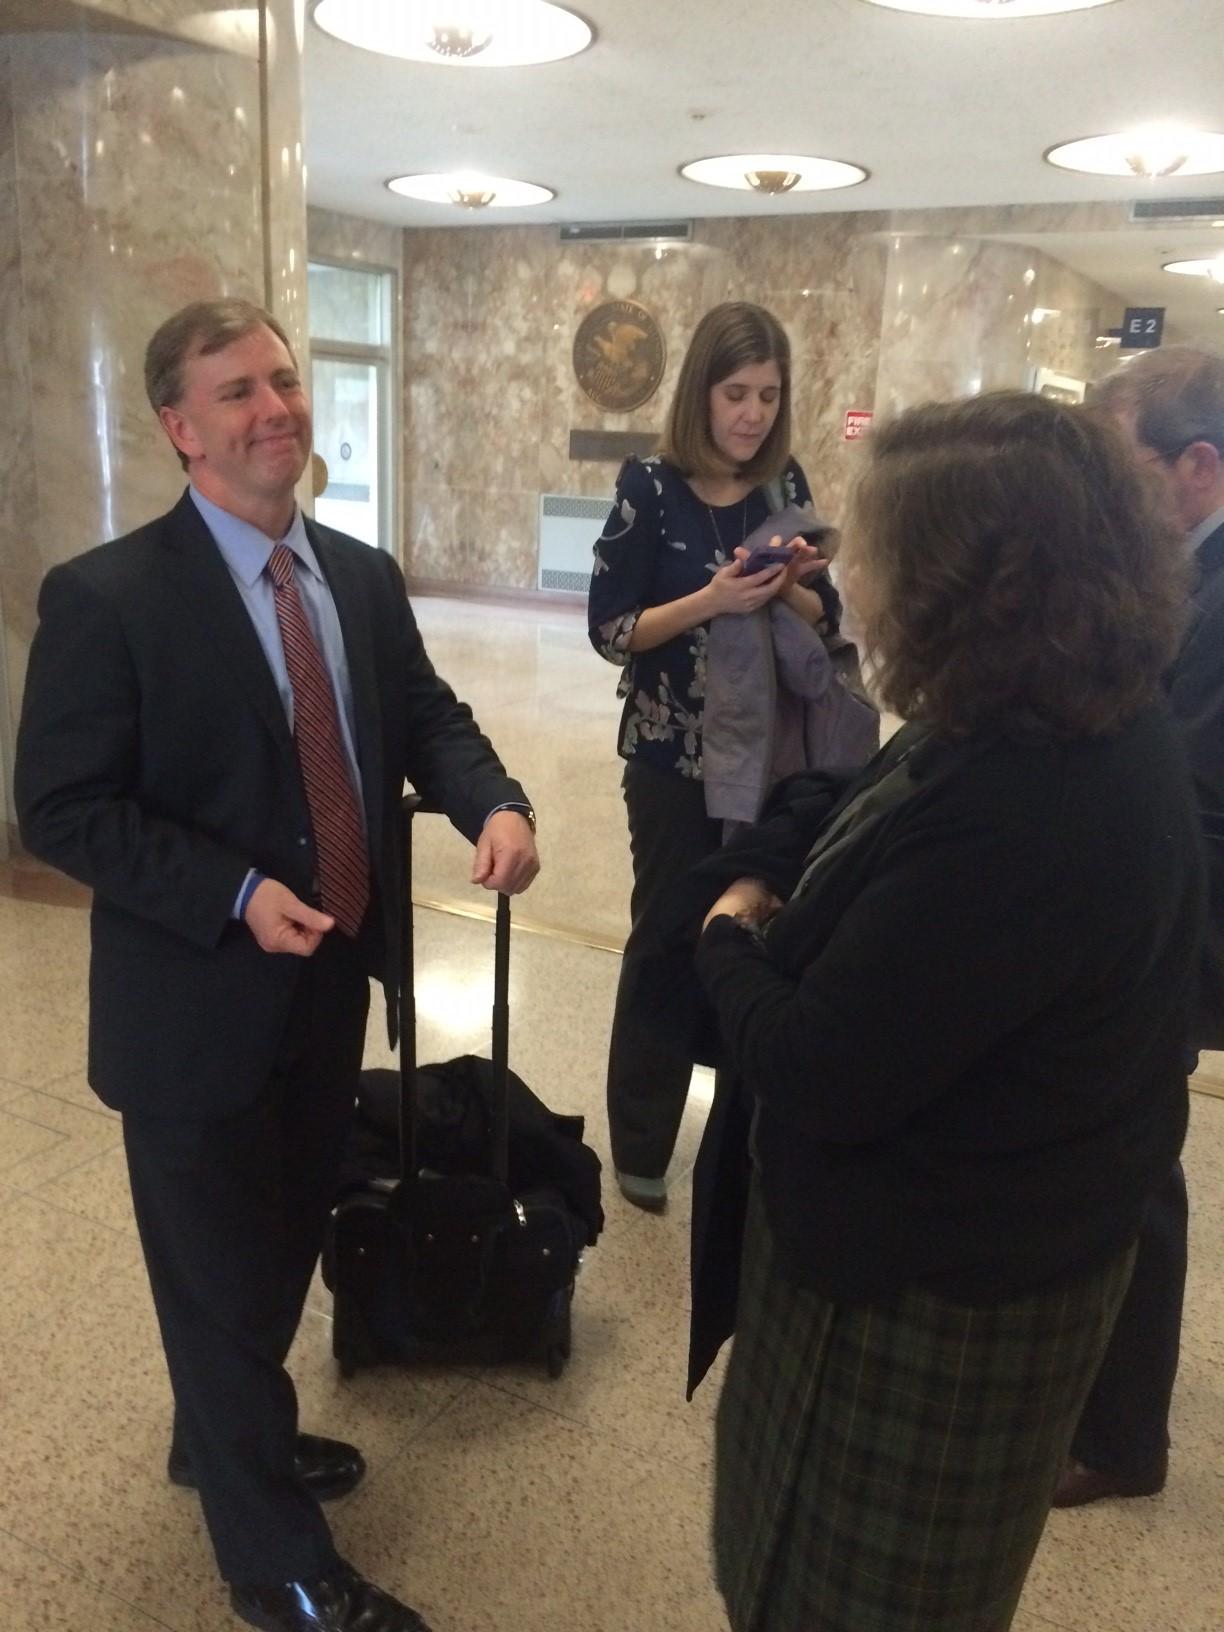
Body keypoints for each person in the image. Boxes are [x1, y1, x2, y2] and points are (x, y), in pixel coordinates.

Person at [14, 299, 539, 1632]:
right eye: (238, 391)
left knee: (281, 1240)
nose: (276, 408)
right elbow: (60, 807)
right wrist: (234, 891)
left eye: (284, 380)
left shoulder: (357, 575)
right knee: (211, 1271)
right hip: (191, 1007)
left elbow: (424, 717)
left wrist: (496, 801)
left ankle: (223, 1438)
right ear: (181, 429)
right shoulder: (106, 597)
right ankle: (277, 1563)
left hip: (330, 984)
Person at [686, 392, 1201, 1632]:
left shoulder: (1023, 814)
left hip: (929, 1293)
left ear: (972, 585)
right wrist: (779, 852)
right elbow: (878, 795)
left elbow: (821, 1068)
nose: (847, 577)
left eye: (871, 552)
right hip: (997, 1248)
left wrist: (722, 938)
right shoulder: (1064, 719)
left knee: (841, 1597)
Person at [588, 299, 864, 1211]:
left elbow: (832, 627)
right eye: (735, 393)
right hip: (672, 758)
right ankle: (640, 1142)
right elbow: (612, 629)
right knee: (667, 939)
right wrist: (714, 600)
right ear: (700, 392)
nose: (750, 414)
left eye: (767, 396)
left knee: (760, 937)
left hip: (775, 761)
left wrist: (789, 593)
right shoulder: (649, 486)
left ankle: (747, 1140)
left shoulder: (786, 484)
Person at [1050, 345, 1224, 1507]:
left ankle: (1120, 1442)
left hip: (1183, 929)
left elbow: (1191, 796)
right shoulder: (1187, 579)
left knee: (1137, 1170)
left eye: (1123, 476)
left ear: (1196, 468)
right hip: (1173, 918)